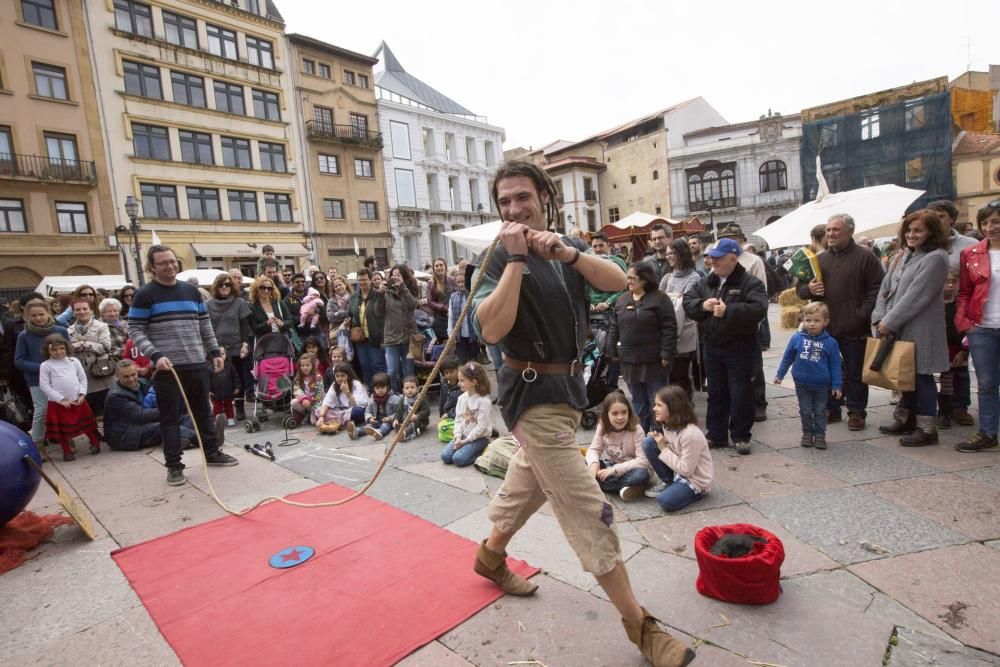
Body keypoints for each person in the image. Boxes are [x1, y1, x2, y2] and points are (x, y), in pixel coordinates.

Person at [470, 161, 694, 666]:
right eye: (504, 201)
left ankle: (489, 556)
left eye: (522, 197)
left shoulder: (564, 247)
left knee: (527, 483)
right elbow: (490, 328)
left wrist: (568, 252)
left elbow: (615, 281)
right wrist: (515, 261)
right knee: (587, 508)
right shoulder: (496, 257)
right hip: (529, 398)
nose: (513, 208)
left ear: (543, 198)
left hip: (567, 392)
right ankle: (641, 627)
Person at [128, 245, 238, 486]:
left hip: (197, 362)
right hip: (167, 368)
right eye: (163, 263)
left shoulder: (191, 291)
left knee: (203, 411)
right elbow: (135, 328)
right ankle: (174, 465)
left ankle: (211, 452)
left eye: (172, 261)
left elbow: (204, 324)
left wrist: (213, 351)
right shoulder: (145, 294)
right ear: (152, 267)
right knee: (170, 417)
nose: (169, 266)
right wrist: (155, 355)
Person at [796, 213, 884, 431]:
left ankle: (856, 411)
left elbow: (877, 289)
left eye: (836, 230)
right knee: (825, 370)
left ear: (850, 232)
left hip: (854, 326)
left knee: (855, 373)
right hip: (826, 327)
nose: (830, 234)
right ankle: (831, 408)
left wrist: (861, 314)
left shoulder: (865, 257)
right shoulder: (820, 259)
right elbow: (800, 287)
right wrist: (810, 289)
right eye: (828, 230)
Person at [872, 210, 950, 446]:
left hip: (921, 328)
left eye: (918, 230)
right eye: (909, 229)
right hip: (899, 327)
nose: (911, 234)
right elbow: (886, 287)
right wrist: (878, 316)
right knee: (904, 374)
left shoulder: (936, 258)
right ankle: (905, 418)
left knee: (922, 376)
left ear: (931, 232)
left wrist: (889, 321)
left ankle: (927, 430)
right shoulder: (904, 255)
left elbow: (916, 296)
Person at [683, 238, 768, 455]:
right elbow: (688, 302)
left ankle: (741, 436)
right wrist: (702, 305)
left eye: (718, 257)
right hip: (712, 345)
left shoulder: (750, 282)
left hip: (740, 346)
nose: (713, 261)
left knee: (741, 391)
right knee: (716, 392)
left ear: (733, 258)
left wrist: (728, 311)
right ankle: (716, 434)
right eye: (711, 257)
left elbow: (759, 309)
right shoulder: (706, 282)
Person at [606, 262, 676, 432]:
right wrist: (611, 350)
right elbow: (615, 327)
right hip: (630, 361)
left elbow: (670, 327)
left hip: (655, 361)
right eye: (627, 278)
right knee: (638, 402)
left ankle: (659, 435)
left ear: (644, 280)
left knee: (657, 402)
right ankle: (641, 435)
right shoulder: (622, 300)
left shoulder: (660, 298)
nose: (628, 281)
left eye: (632, 278)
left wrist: (666, 353)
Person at [955, 200, 1000, 452]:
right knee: (986, 383)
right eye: (985, 222)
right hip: (982, 328)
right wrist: (966, 323)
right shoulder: (971, 254)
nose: (989, 227)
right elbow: (964, 291)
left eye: (995, 221)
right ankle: (987, 432)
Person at [928, 200, 977, 425]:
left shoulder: (969, 244)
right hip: (931, 308)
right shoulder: (925, 243)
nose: (936, 220)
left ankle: (960, 406)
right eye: (933, 216)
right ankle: (939, 408)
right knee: (936, 362)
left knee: (959, 360)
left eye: (941, 215)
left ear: (952, 219)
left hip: (959, 308)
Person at [773, 302, 843, 450]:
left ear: (825, 322)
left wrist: (837, 385)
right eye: (808, 320)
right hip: (802, 383)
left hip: (822, 384)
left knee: (820, 410)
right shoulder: (797, 338)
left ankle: (819, 435)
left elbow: (836, 365)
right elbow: (787, 357)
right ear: (803, 320)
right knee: (805, 410)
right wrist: (780, 374)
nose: (812, 324)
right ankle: (807, 433)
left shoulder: (831, 343)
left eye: (816, 320)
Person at [641, 385, 713, 513]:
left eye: (659, 405)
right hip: (679, 471)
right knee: (649, 443)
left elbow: (686, 470)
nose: (654, 409)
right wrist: (661, 443)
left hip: (695, 480)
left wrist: (664, 448)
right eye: (655, 404)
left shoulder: (690, 435)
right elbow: (674, 452)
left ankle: (697, 493)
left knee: (664, 501)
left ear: (673, 408)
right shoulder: (667, 425)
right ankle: (669, 482)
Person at [104, 360, 196, 451]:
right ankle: (200, 439)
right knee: (168, 427)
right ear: (117, 376)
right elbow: (140, 416)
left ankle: (177, 439)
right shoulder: (116, 395)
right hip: (125, 435)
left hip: (141, 424)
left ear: (137, 372)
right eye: (126, 377)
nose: (131, 379)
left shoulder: (143, 382)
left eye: (133, 375)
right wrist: (171, 409)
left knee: (187, 418)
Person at [14, 299, 70, 448]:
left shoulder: (61, 331)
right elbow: (19, 360)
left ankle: (66, 437)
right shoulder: (24, 336)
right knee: (42, 409)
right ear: (27, 316)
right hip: (36, 379)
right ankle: (37, 442)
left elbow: (70, 354)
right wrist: (43, 367)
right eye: (33, 315)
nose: (38, 318)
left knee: (62, 407)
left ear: (48, 313)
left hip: (60, 378)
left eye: (41, 314)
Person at [39, 334, 100, 460]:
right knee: (63, 430)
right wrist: (60, 399)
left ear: (66, 347)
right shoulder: (46, 365)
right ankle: (67, 451)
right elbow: (44, 385)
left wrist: (82, 393)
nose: (58, 352)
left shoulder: (74, 361)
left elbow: (83, 378)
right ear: (47, 350)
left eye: (61, 348)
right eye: (54, 349)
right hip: (59, 404)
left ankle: (95, 443)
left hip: (78, 400)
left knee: (87, 425)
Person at [585, 392, 651, 501]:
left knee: (641, 475)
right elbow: (594, 450)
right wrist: (594, 464)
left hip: (632, 469)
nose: (620, 417)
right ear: (607, 415)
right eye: (615, 413)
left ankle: (596, 484)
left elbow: (643, 461)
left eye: (624, 412)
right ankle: (632, 487)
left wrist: (615, 470)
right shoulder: (602, 426)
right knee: (581, 463)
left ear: (629, 412)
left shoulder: (637, 429)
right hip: (611, 465)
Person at [206, 274, 251, 421]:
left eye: (227, 285)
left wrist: (245, 343)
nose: (224, 287)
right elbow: (207, 327)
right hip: (218, 348)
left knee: (238, 377)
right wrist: (214, 347)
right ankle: (221, 407)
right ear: (216, 287)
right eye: (221, 285)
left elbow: (245, 325)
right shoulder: (208, 304)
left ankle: (239, 406)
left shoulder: (240, 302)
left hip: (237, 346)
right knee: (219, 378)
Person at [67, 298, 115, 419]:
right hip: (83, 376)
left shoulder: (101, 326)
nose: (82, 312)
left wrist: (84, 344)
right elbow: (66, 352)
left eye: (85, 309)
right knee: (91, 411)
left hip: (101, 372)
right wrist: (73, 348)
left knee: (108, 409)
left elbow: (105, 347)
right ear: (73, 312)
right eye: (78, 309)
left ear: (91, 310)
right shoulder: (68, 331)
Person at [440, 361, 493, 466]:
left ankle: (482, 451)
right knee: (445, 457)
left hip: (479, 438)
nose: (458, 383)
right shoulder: (462, 398)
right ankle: (465, 447)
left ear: (474, 382)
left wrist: (466, 442)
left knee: (458, 459)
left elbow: (481, 427)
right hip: (463, 436)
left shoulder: (484, 401)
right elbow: (458, 419)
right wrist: (458, 437)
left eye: (462, 381)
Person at [936, 271, 968, 429]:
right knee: (942, 380)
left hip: (956, 348)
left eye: (954, 281)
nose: (949, 285)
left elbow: (966, 331)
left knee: (956, 379)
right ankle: (941, 412)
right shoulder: (934, 303)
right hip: (938, 346)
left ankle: (953, 410)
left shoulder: (961, 305)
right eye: (946, 281)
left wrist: (964, 351)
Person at [380, 265, 418, 392]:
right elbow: (378, 312)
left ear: (404, 276)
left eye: (398, 275)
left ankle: (411, 396)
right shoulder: (385, 291)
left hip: (408, 336)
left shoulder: (409, 288)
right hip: (391, 337)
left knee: (408, 370)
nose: (395, 278)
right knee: (392, 371)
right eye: (393, 275)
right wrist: (379, 294)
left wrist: (402, 287)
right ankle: (394, 396)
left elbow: (413, 305)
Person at [348, 269, 386, 386]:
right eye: (360, 280)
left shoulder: (377, 295)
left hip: (375, 337)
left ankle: (381, 388)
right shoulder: (354, 297)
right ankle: (369, 389)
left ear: (370, 280)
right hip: (360, 338)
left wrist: (383, 338)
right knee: (364, 365)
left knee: (377, 365)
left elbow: (383, 317)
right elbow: (350, 313)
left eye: (364, 279)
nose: (362, 282)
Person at [316, 362, 368, 434]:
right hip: (342, 411)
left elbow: (358, 405)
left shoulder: (356, 384)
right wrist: (321, 417)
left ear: (348, 376)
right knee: (319, 410)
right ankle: (339, 423)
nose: (340, 378)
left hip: (353, 409)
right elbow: (327, 401)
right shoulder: (335, 385)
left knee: (357, 412)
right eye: (337, 376)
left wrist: (347, 392)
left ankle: (335, 423)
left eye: (343, 376)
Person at [354, 371, 402, 441]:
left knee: (385, 426)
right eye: (377, 388)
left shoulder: (394, 398)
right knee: (368, 427)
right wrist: (370, 418)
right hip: (377, 420)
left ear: (387, 387)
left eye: (382, 387)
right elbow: (368, 411)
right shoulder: (372, 399)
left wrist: (390, 418)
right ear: (374, 388)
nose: (380, 390)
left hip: (388, 421)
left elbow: (399, 412)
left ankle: (380, 433)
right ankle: (357, 431)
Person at [248, 275, 294, 342]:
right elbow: (254, 328)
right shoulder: (252, 306)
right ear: (257, 289)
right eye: (262, 287)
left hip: (282, 340)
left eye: (269, 288)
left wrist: (282, 324)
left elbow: (290, 321)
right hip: (264, 342)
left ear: (272, 290)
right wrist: (266, 323)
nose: (266, 290)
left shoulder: (279, 303)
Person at [447, 269, 480, 364]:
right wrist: (451, 334)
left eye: (462, 281)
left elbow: (478, 314)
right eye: (458, 282)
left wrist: (480, 333)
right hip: (459, 336)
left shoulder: (472, 294)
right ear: (455, 283)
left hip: (473, 334)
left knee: (473, 361)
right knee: (462, 361)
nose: (461, 284)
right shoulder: (453, 297)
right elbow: (451, 317)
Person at [289, 353, 325, 427]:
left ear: (312, 366)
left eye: (308, 365)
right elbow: (296, 389)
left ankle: (313, 413)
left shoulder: (317, 377)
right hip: (306, 403)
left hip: (317, 402)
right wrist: (303, 399)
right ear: (300, 366)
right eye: (303, 365)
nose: (305, 368)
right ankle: (306, 413)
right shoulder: (298, 378)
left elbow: (319, 392)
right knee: (293, 402)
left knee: (314, 421)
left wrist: (311, 401)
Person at [393, 375, 429, 440]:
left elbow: (426, 410)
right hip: (406, 421)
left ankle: (405, 434)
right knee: (397, 424)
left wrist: (417, 416)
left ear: (417, 389)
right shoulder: (403, 399)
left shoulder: (421, 398)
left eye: (412, 387)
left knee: (414, 424)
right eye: (407, 388)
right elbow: (399, 411)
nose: (409, 390)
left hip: (419, 421)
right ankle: (409, 430)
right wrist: (396, 419)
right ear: (403, 390)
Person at [425, 257, 453, 340]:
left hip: (453, 317)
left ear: (445, 267)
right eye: (436, 266)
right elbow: (430, 302)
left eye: (441, 265)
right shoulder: (431, 283)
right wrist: (445, 308)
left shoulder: (452, 280)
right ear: (434, 268)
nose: (439, 267)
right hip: (440, 319)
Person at [437, 355, 462, 442]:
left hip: (460, 416)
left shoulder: (462, 385)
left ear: (458, 370)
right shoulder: (444, 383)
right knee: (441, 433)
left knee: (442, 429)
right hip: (448, 417)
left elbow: (464, 408)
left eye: (451, 372)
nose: (449, 375)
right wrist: (442, 415)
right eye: (446, 373)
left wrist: (449, 414)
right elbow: (442, 401)